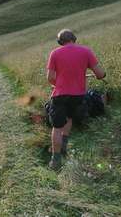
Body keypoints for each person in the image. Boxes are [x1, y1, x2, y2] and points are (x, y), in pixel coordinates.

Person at [46, 29, 106, 170]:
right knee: (69, 118)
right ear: (74, 38)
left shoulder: (54, 53)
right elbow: (100, 74)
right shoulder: (86, 51)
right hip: (78, 95)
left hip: (60, 95)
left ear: (60, 42)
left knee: (57, 127)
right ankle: (64, 145)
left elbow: (50, 78)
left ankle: (56, 160)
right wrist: (102, 75)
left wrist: (59, 84)